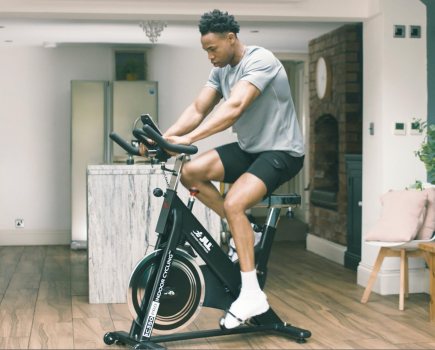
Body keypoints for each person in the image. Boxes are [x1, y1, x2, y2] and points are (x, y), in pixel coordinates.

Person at [145, 9, 305, 329]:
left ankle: (251, 294)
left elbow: (234, 108)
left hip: (282, 152)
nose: (210, 56)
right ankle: (246, 231)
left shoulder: (261, 61)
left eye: (213, 48)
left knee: (234, 203)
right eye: (205, 50)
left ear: (231, 39)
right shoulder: (221, 71)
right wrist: (165, 139)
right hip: (249, 149)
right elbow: (198, 108)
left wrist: (187, 138)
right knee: (191, 172)